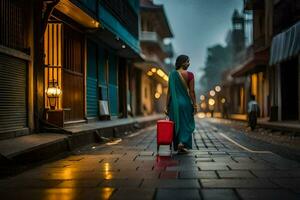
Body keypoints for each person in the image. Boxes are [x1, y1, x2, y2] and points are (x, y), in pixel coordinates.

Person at [165, 55, 196, 154]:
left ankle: (179, 143)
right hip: (186, 103)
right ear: (182, 63)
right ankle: (182, 143)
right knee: (186, 123)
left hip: (174, 104)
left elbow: (169, 92)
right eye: (187, 61)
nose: (189, 63)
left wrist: (166, 106)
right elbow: (191, 92)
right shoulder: (190, 75)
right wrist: (195, 105)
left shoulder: (172, 74)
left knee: (176, 124)